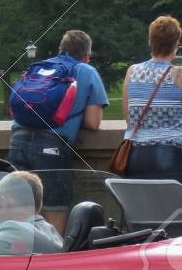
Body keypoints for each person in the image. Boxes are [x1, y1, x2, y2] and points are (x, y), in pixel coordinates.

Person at [7, 29, 107, 235]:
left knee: (18, 206)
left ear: (60, 50)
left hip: (18, 141)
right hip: (50, 146)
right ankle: (50, 258)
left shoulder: (39, 67)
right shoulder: (86, 71)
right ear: (87, 55)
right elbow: (93, 121)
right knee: (55, 205)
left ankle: (16, 253)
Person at [121, 15, 182, 187]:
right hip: (170, 152)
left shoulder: (133, 71)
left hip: (136, 153)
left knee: (139, 211)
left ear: (150, 41)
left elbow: (128, 117)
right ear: (176, 44)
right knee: (173, 211)